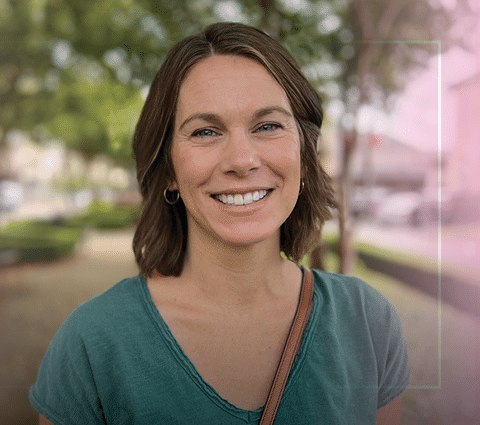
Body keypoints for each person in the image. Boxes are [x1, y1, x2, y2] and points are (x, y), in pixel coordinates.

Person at [29, 22, 409, 424]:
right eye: (205, 131)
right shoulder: (91, 344)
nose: (241, 160)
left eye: (267, 126)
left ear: (302, 150)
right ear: (169, 168)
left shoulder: (369, 323)